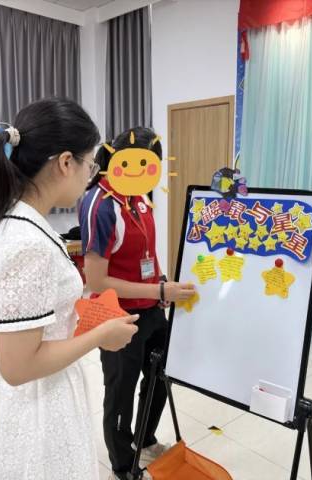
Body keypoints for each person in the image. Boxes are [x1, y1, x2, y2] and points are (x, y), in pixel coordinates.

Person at [0, 98, 140, 480]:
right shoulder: (26, 243)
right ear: (66, 162)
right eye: (90, 164)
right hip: (36, 407)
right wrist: (101, 335)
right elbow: (18, 366)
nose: (90, 177)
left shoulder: (12, 220)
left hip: (28, 395)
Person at [79, 127, 196, 480]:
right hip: (118, 315)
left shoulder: (140, 197)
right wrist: (158, 292)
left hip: (151, 309)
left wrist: (160, 284)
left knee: (161, 374)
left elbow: (147, 253)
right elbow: (96, 281)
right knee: (121, 391)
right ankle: (122, 465)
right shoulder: (99, 204)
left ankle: (144, 439)